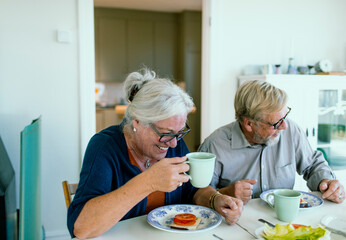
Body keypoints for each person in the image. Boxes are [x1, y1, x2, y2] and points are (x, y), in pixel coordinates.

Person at [67, 68, 243, 239]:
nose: (174, 143)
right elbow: (82, 228)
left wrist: (215, 199)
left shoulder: (173, 142)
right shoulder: (104, 147)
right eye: (165, 133)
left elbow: (192, 190)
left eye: (179, 132)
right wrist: (148, 182)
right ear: (137, 121)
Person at [198, 79, 346, 205]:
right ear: (249, 124)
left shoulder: (290, 130)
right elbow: (196, 193)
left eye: (285, 116)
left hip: (284, 224)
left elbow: (312, 165)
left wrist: (326, 182)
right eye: (276, 123)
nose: (284, 126)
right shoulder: (215, 145)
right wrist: (223, 193)